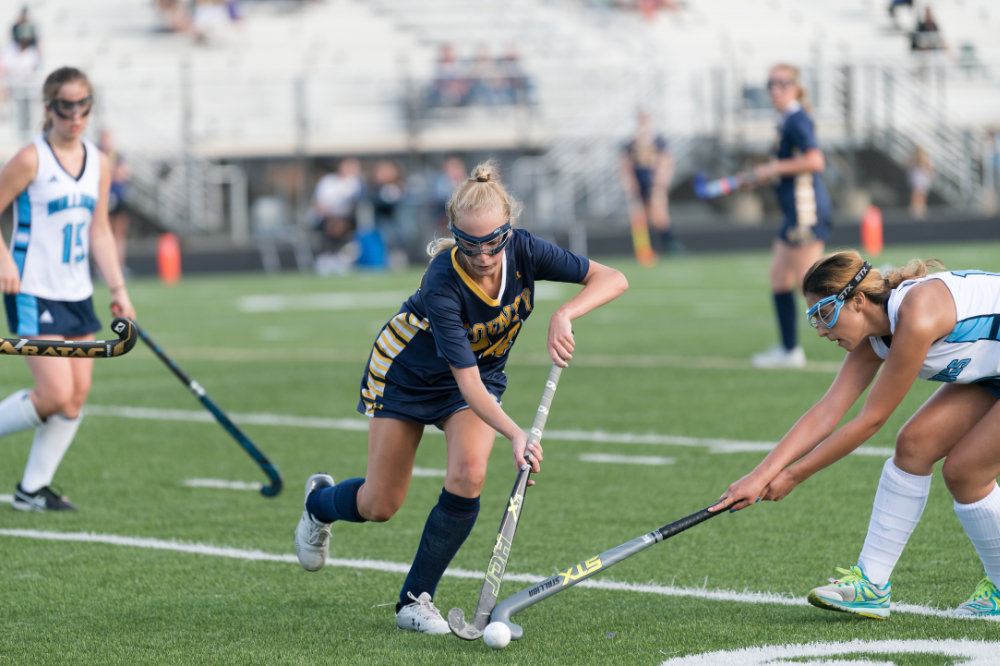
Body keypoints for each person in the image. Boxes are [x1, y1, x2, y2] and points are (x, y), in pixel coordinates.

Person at [292, 161, 628, 633]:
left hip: (478, 373)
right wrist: (516, 433)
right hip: (407, 373)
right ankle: (319, 504)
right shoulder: (442, 281)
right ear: (454, 234)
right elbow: (465, 383)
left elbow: (613, 277)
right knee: (380, 504)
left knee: (469, 473)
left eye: (495, 241)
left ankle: (413, 600)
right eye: (471, 244)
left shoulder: (526, 250)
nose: (486, 254)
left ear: (509, 230)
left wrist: (565, 313)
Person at [715, 250, 1000, 619]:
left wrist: (792, 476)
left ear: (858, 301)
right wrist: (760, 475)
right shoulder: (877, 336)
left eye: (825, 314)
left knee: (966, 471)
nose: (820, 330)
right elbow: (827, 412)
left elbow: (870, 420)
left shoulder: (916, 316)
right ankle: (872, 584)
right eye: (813, 319)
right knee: (913, 445)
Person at [0, 67, 136, 511]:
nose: (74, 115)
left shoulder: (99, 160)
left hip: (76, 291)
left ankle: (31, 490)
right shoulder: (30, 158)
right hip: (31, 289)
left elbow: (99, 231)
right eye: (65, 106)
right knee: (55, 394)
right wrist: (3, 259)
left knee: (75, 398)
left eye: (83, 106)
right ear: (48, 108)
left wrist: (118, 288)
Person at [748, 64, 832, 369]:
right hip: (792, 212)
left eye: (782, 83)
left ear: (796, 86)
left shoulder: (797, 118)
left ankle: (871, 332)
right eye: (770, 83)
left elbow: (815, 160)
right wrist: (766, 175)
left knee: (811, 285)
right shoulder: (785, 120)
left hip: (805, 211)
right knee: (779, 278)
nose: (775, 89)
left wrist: (773, 168)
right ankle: (789, 350)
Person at [619, 110, 682, 255]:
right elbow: (624, 163)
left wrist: (662, 180)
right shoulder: (631, 141)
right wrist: (628, 182)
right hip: (638, 182)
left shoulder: (657, 140)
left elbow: (667, 161)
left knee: (659, 213)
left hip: (654, 182)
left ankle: (670, 244)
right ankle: (646, 249)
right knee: (641, 215)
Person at [99, 130, 131, 272]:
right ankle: (102, 268)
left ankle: (120, 266)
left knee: (119, 234)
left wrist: (109, 171)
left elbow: (123, 173)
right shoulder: (97, 153)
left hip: (118, 198)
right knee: (102, 233)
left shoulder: (117, 155)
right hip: (102, 198)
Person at [907, 146, 933, 219]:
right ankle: (915, 211)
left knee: (921, 196)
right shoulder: (914, 160)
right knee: (916, 195)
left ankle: (921, 211)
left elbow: (930, 170)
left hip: (922, 181)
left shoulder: (925, 161)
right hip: (917, 180)